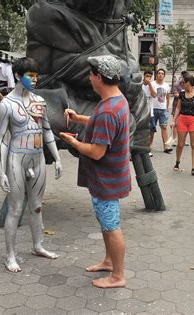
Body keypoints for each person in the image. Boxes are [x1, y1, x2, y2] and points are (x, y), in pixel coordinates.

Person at [61, 55, 130, 288]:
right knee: (106, 222)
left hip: (106, 180)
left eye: (91, 74)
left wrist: (73, 143)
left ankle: (118, 276)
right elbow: (100, 122)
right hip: (109, 177)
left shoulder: (108, 110)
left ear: (99, 77)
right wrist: (79, 118)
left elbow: (97, 152)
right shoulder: (115, 100)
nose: (89, 78)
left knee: (111, 227)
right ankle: (110, 261)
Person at [0, 57, 62, 273]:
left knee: (37, 206)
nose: (34, 80)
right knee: (15, 209)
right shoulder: (7, 104)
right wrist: (1, 171)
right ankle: (10, 255)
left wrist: (57, 158)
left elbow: (47, 130)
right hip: (16, 158)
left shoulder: (39, 101)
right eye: (29, 76)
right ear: (17, 76)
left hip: (37, 158)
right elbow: (3, 139)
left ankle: (38, 246)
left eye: (36, 76)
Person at [172, 73, 194, 177]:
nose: (182, 84)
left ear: (189, 83)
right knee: (180, 144)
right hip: (182, 119)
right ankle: (177, 162)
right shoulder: (182, 94)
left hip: (193, 120)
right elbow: (178, 108)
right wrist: (174, 120)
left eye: (184, 82)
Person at [149, 69, 172, 154]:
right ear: (156, 75)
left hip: (163, 109)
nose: (160, 75)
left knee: (164, 127)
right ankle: (149, 146)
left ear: (164, 75)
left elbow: (168, 97)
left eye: (162, 74)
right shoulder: (152, 84)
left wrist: (167, 108)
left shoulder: (166, 85)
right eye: (159, 73)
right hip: (153, 109)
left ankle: (166, 146)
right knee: (151, 128)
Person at [142, 70, 155, 156]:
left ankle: (148, 147)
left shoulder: (152, 84)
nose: (148, 78)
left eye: (150, 76)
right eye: (147, 76)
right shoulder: (139, 84)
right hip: (140, 112)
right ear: (143, 76)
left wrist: (149, 84)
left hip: (150, 111)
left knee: (151, 130)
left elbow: (154, 95)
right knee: (139, 131)